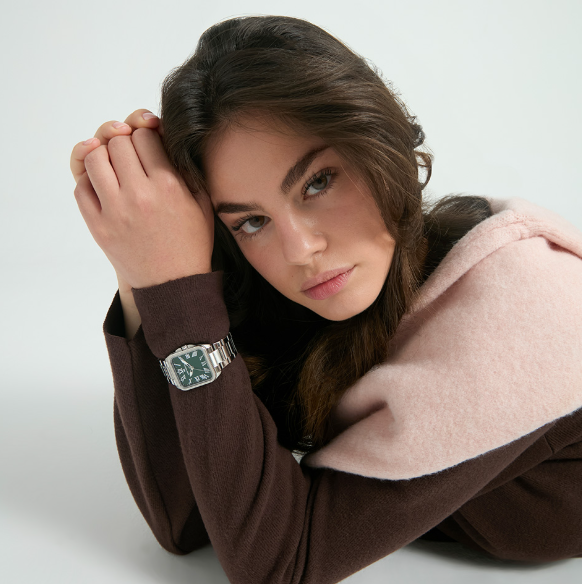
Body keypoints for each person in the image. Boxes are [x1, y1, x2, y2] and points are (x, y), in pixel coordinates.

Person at [70, 15, 582, 584]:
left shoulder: (525, 307)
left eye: (318, 182)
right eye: (252, 220)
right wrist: (145, 270)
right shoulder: (316, 290)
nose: (301, 249)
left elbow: (279, 565)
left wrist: (176, 294)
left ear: (379, 144)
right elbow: (187, 521)